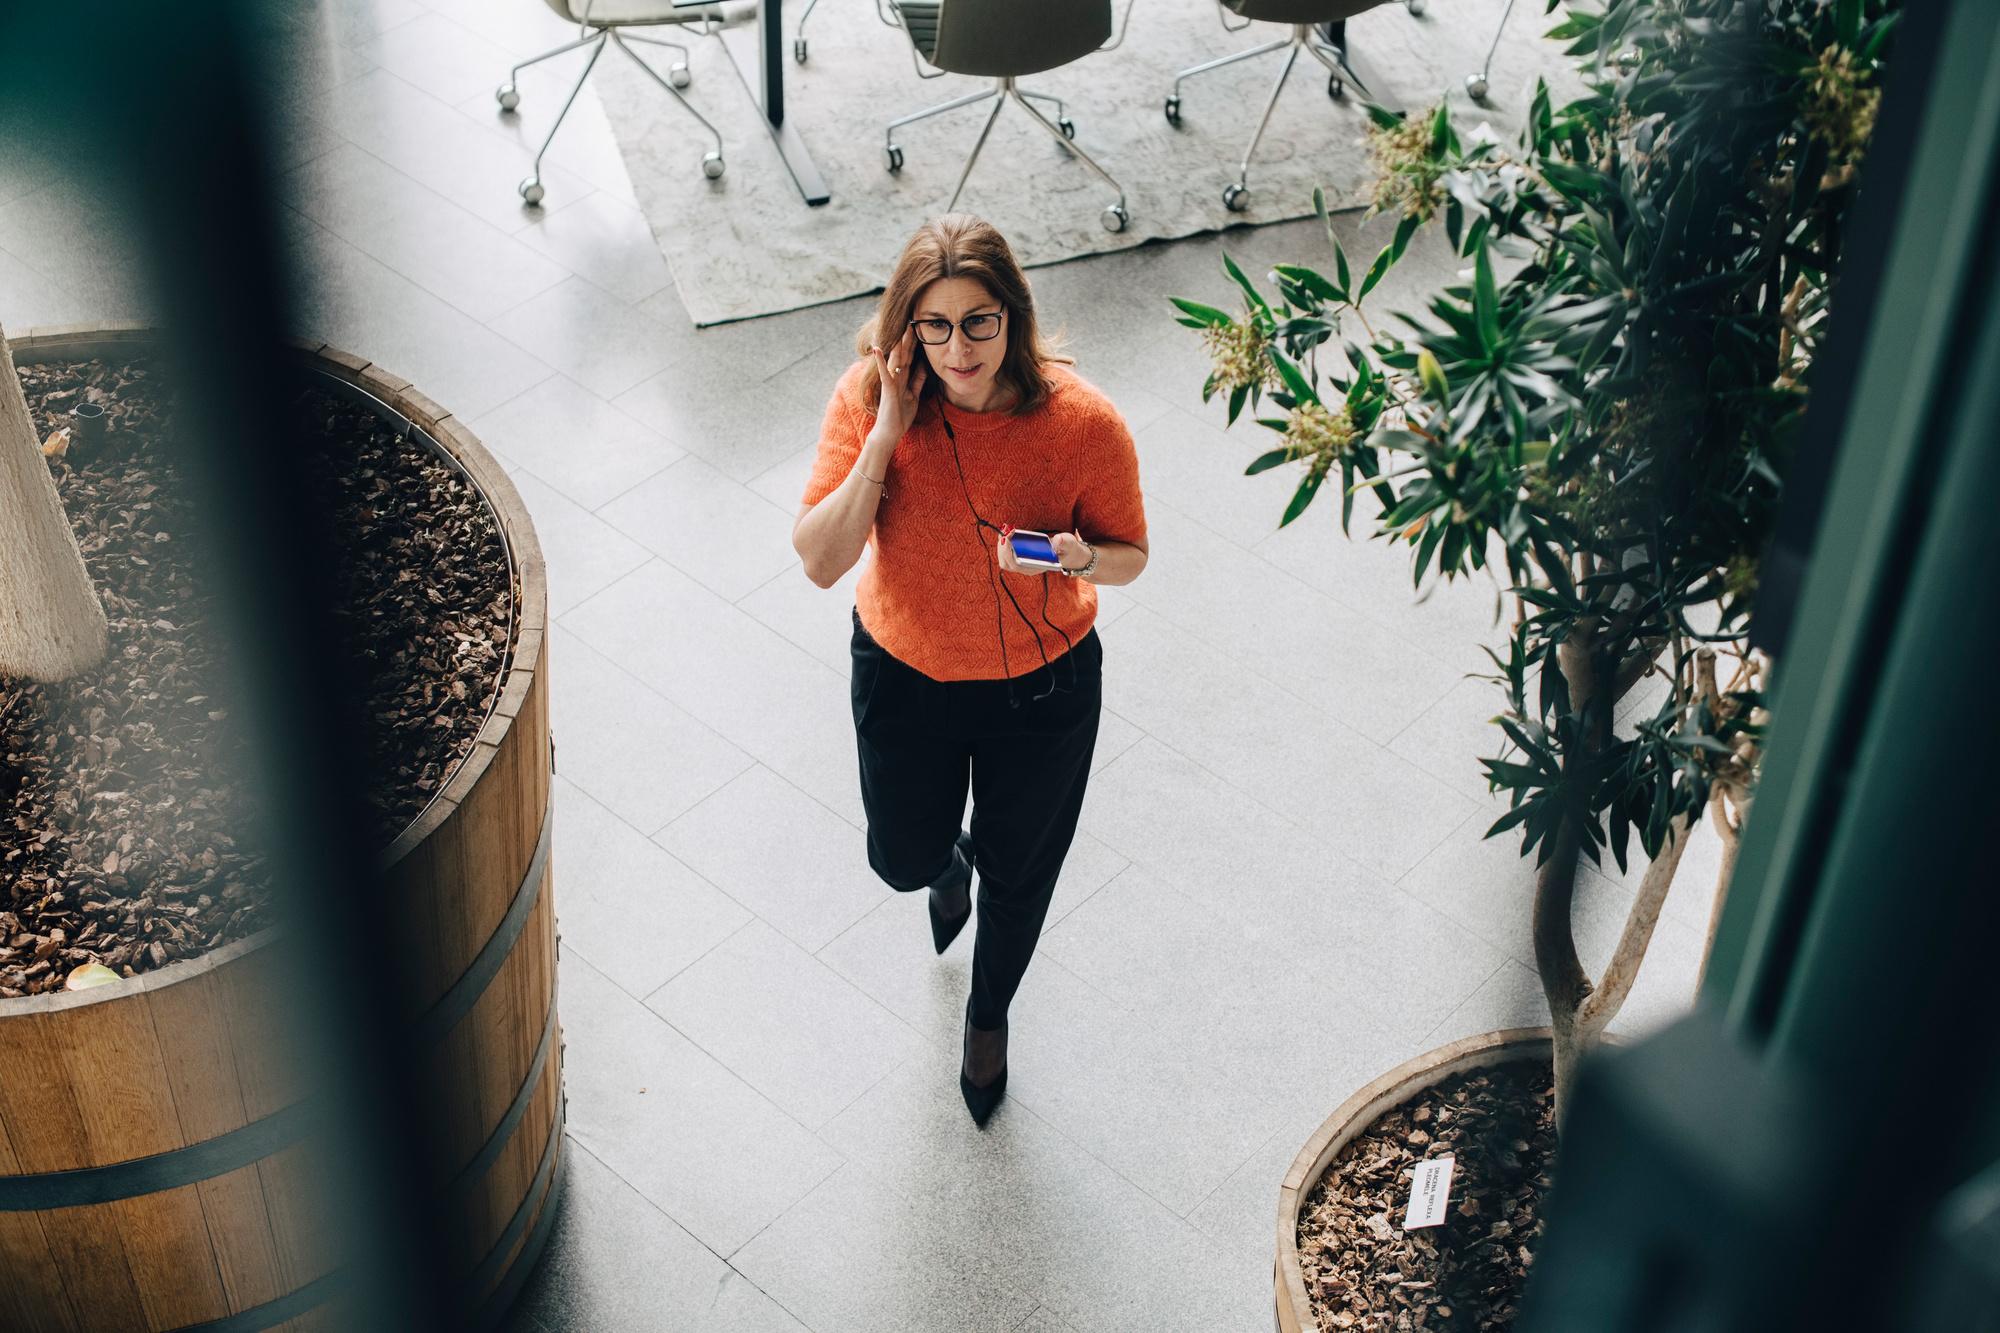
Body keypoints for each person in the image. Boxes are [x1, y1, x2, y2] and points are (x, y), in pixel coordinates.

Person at [791, 214, 1149, 1126]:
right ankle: (944, 867)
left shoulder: (1082, 422)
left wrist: (1073, 557)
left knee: (1022, 872)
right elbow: (821, 560)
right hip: (904, 675)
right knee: (900, 855)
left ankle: (989, 1016)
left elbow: (1130, 554)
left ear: (1013, 317)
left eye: (980, 321)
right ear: (905, 328)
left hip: (1046, 687)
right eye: (935, 325)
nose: (960, 348)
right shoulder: (867, 397)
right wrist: (885, 436)